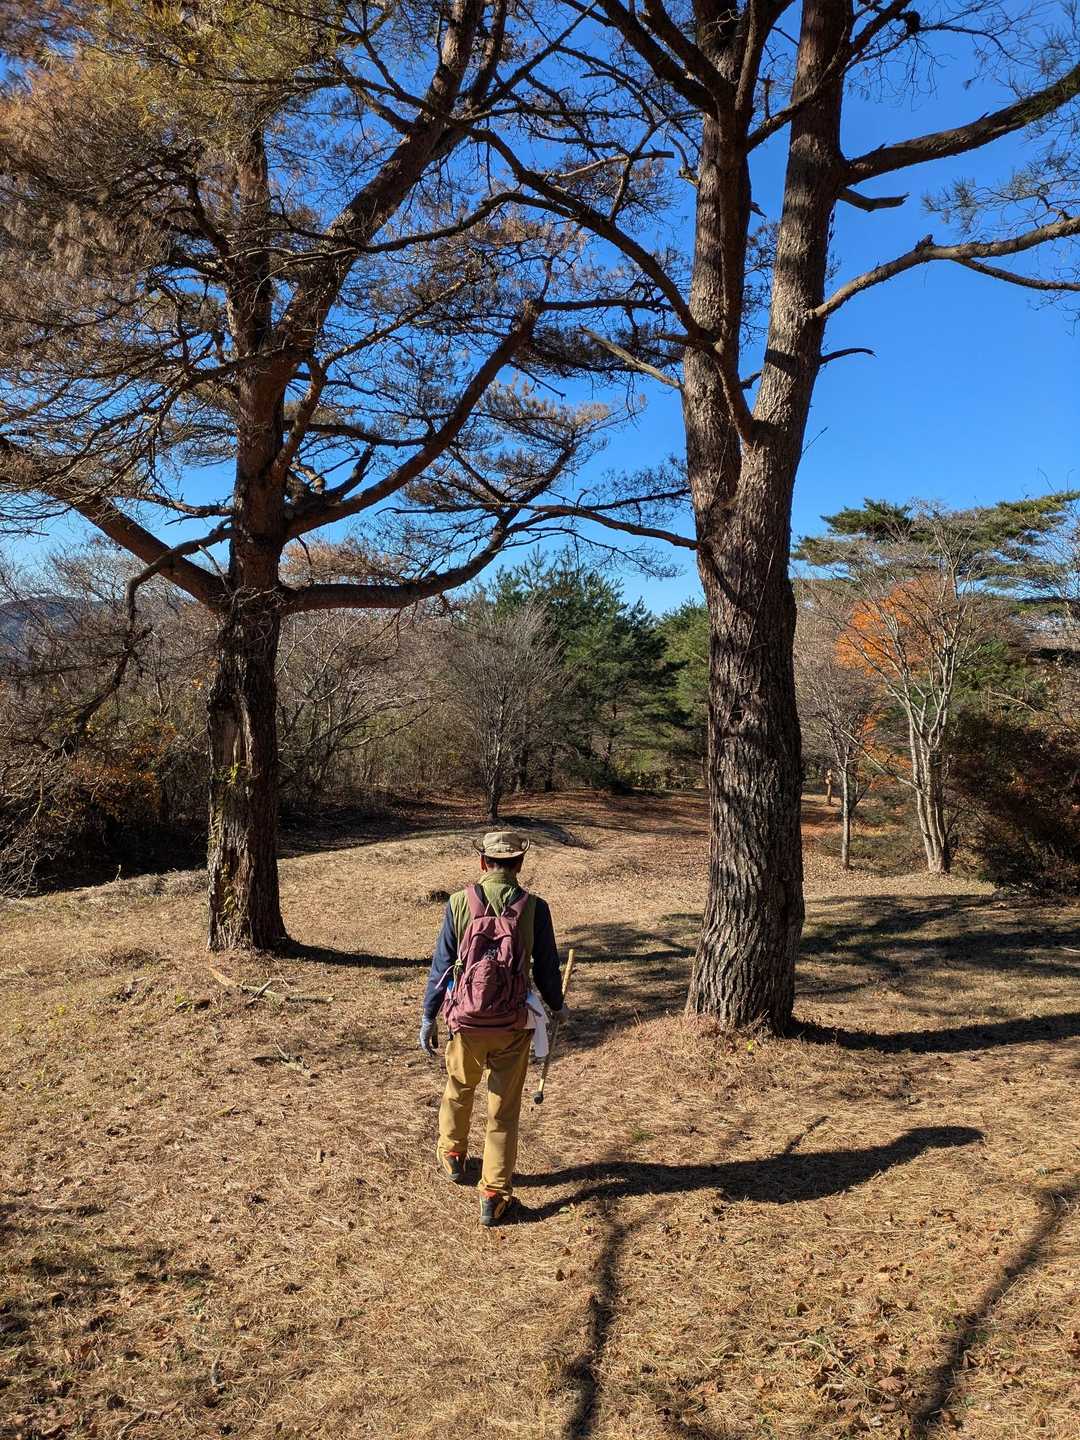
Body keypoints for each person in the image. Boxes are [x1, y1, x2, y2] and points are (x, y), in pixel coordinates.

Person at [419, 830, 565, 1227]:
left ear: (483, 862)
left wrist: (429, 1016)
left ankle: (452, 1153)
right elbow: (547, 969)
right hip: (512, 1025)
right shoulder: (535, 908)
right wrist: (557, 1006)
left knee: (459, 1087)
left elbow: (442, 966)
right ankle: (494, 1194)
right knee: (503, 1111)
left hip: (466, 1022)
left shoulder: (458, 903)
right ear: (519, 864)